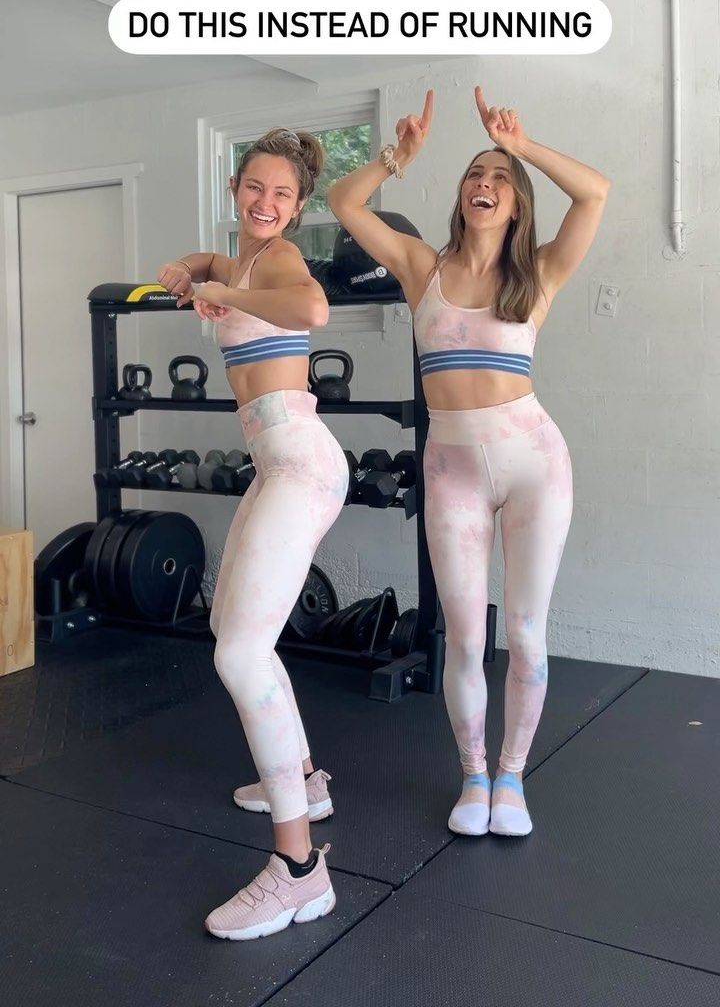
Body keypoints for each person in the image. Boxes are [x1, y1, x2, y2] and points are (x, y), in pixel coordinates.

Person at [327, 87, 610, 837]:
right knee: (462, 634)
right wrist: (393, 157)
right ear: (461, 198)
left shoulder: (540, 273)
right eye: (474, 174)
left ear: (516, 201)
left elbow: (595, 191)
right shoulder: (423, 266)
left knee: (524, 630)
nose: (484, 182)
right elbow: (343, 202)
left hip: (533, 464)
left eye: (499, 177)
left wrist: (522, 149)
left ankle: (513, 778)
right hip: (450, 467)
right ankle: (474, 774)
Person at [157, 128, 348, 938]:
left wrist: (224, 292)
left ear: (298, 208)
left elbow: (310, 308)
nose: (266, 204)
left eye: (282, 196)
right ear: (235, 187)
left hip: (303, 463)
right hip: (278, 464)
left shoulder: (276, 266)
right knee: (223, 628)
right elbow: (204, 266)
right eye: (254, 189)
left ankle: (300, 870)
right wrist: (188, 270)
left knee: (240, 652)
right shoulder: (236, 259)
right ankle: (300, 779)